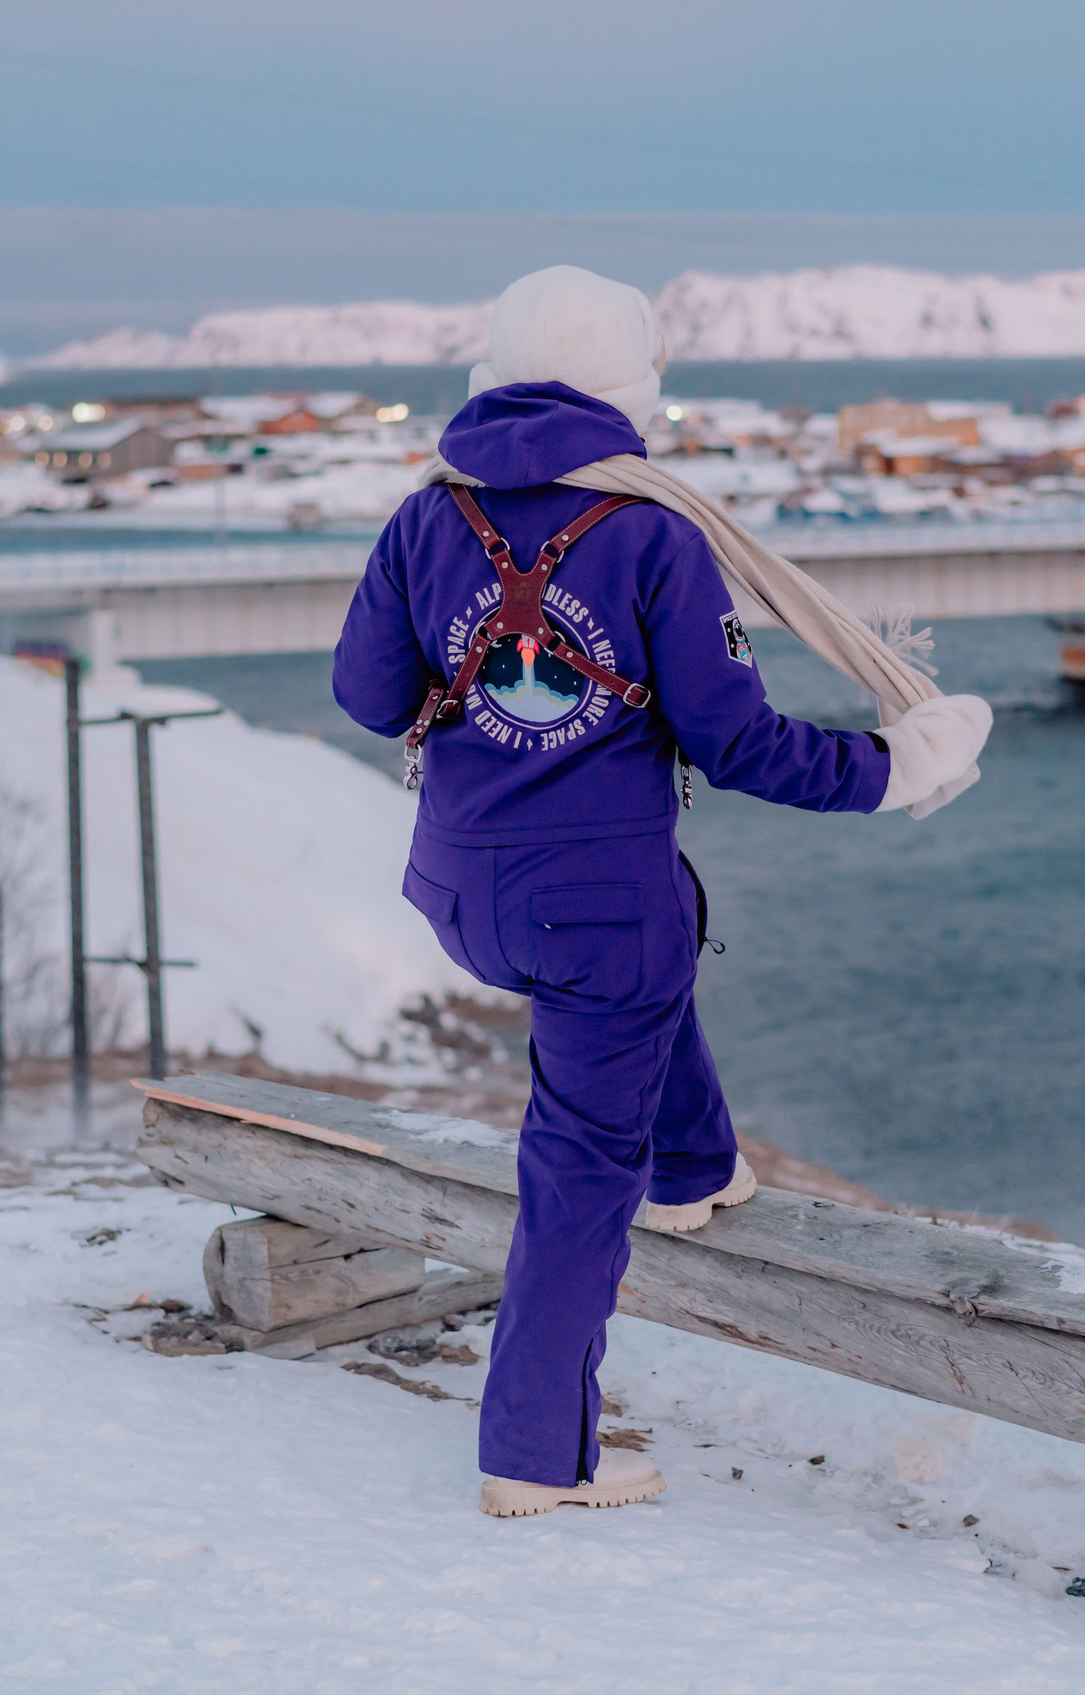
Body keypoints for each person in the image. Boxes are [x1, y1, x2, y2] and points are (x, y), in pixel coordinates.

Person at [332, 266, 991, 1518]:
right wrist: (897, 766)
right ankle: (534, 1455)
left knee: (646, 962)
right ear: (634, 383)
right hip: (591, 910)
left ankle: (694, 1170)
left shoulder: (426, 516)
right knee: (577, 1165)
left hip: (462, 887)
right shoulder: (651, 532)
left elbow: (369, 695)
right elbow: (740, 744)